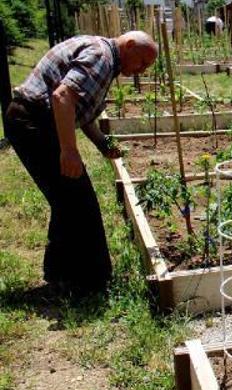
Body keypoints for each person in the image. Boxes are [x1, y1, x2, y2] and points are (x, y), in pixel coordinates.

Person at [4, 31, 158, 298]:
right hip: (34, 123)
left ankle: (65, 277)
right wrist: (68, 150)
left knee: (69, 199)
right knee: (78, 201)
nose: (141, 72)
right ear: (129, 45)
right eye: (142, 63)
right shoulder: (101, 57)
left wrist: (102, 143)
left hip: (32, 121)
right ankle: (85, 281)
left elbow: (80, 112)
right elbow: (62, 97)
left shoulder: (103, 58)